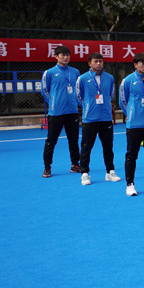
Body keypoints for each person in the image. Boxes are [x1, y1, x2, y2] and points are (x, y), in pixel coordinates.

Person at [76, 52, 120, 186]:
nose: (99, 63)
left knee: (108, 146)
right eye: (95, 61)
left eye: (100, 61)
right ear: (89, 63)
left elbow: (110, 94)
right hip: (90, 118)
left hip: (106, 117)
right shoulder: (82, 78)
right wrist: (88, 106)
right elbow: (78, 96)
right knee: (86, 146)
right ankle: (84, 173)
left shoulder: (109, 78)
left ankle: (110, 171)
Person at [41, 45, 81, 178]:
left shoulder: (75, 72)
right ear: (56, 57)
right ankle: (47, 166)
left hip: (72, 111)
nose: (65, 57)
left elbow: (78, 89)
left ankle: (75, 164)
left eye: (67, 55)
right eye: (62, 55)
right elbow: (45, 90)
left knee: (73, 139)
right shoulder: (49, 72)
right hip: (56, 112)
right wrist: (54, 102)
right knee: (51, 141)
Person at [119, 53, 144, 196]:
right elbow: (123, 101)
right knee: (131, 155)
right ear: (135, 65)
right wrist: (131, 114)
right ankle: (130, 184)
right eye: (142, 63)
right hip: (134, 124)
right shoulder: (128, 80)